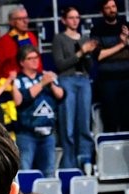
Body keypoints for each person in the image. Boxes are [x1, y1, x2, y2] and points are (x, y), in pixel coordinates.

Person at [52, 6, 96, 172]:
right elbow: (60, 65)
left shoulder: (84, 38)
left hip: (83, 80)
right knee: (68, 124)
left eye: (77, 17)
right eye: (71, 17)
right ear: (64, 20)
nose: (75, 21)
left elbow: (90, 66)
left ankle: (85, 159)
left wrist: (88, 54)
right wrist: (80, 53)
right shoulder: (59, 38)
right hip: (67, 80)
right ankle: (69, 163)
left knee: (84, 123)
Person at [13, 45, 64, 178]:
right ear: (22, 62)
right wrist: (42, 84)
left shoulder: (47, 76)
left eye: (36, 57)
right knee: (25, 171)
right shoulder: (18, 81)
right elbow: (21, 100)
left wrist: (50, 83)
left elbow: (61, 95)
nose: (35, 61)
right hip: (27, 134)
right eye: (30, 58)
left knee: (49, 171)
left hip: (48, 133)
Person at [90, 0, 129, 133]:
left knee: (127, 118)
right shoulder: (97, 30)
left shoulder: (125, 26)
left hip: (127, 78)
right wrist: (122, 45)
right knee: (111, 119)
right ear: (102, 11)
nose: (112, 10)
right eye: (108, 8)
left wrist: (127, 40)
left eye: (113, 6)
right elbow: (99, 55)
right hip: (108, 81)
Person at [0, 5, 41, 79]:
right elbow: (1, 67)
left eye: (26, 18)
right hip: (15, 79)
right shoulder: (3, 41)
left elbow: (38, 60)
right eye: (20, 19)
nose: (25, 21)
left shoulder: (31, 36)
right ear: (12, 22)